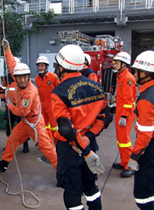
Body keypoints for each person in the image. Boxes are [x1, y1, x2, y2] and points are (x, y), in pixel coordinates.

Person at [52, 44, 113, 210]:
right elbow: (106, 117)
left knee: (72, 193)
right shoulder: (96, 86)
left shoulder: (59, 92)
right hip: (90, 145)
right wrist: (88, 138)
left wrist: (83, 148)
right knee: (91, 189)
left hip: (70, 149)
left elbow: (66, 130)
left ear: (63, 66)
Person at [0, 39, 57, 171]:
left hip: (34, 124)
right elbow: (12, 64)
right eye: (19, 77)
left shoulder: (29, 92)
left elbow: (22, 112)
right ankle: (4, 162)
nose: (21, 80)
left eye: (24, 77)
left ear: (28, 77)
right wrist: (7, 49)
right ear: (15, 78)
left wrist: (9, 104)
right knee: (12, 140)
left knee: (47, 149)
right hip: (26, 123)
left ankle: (62, 170)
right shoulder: (21, 82)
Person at [128, 50, 154, 210]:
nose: (134, 74)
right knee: (152, 186)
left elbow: (144, 135)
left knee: (144, 196)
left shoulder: (146, 98)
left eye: (136, 71)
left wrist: (134, 156)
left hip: (149, 149)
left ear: (145, 72)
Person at [112, 51, 137, 178]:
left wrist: (124, 116)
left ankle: (130, 166)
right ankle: (124, 162)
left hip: (125, 114)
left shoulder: (127, 78)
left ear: (124, 64)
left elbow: (128, 100)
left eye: (116, 63)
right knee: (120, 139)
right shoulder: (121, 76)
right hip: (121, 112)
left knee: (125, 141)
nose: (114, 65)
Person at [0, 58, 29, 153]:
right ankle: (10, 145)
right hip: (10, 106)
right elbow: (2, 89)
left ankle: (25, 145)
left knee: (23, 126)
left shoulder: (24, 77)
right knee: (9, 126)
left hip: (20, 106)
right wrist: (2, 100)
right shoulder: (6, 77)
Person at [35, 55, 60, 146]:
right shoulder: (37, 79)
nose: (40, 67)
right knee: (45, 127)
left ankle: (57, 145)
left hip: (52, 106)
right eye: (39, 65)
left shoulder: (53, 77)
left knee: (54, 127)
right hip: (42, 107)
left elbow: (59, 89)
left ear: (46, 66)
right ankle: (48, 144)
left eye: (42, 65)